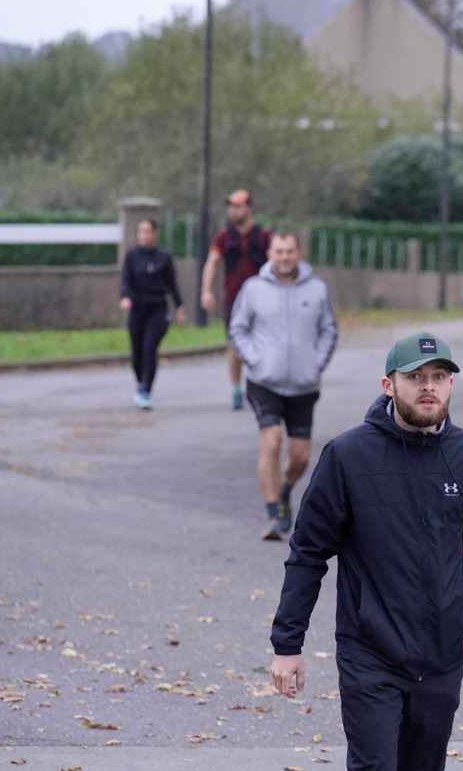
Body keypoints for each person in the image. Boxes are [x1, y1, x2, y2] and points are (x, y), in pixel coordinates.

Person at [269, 332, 463, 771]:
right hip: (370, 654)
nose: (428, 386)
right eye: (415, 377)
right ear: (388, 385)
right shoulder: (348, 456)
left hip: (441, 657)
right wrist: (287, 644)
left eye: (439, 376)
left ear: (451, 384)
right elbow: (308, 554)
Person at [228, 232, 337, 541]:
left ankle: (286, 490)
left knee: (300, 458)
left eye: (289, 251)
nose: (284, 257)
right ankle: (273, 515)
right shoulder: (253, 289)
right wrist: (255, 360)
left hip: (303, 385)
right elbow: (237, 329)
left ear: (298, 253)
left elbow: (329, 330)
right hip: (264, 382)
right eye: (279, 251)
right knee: (272, 442)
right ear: (270, 254)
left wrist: (315, 364)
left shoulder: (317, 289)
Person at [200, 189, 271, 410]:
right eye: (231, 206)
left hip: (262, 299)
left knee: (263, 342)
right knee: (234, 343)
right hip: (234, 299)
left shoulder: (263, 235)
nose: (234, 210)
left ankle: (262, 385)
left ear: (249, 208)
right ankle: (236, 389)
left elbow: (275, 264)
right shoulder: (223, 236)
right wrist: (206, 291)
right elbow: (212, 262)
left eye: (238, 206)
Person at [119, 218, 185, 409]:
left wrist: (179, 306)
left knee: (149, 349)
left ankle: (145, 390)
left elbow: (172, 284)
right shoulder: (131, 256)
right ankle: (141, 382)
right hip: (137, 309)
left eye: (148, 231)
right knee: (137, 353)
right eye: (141, 231)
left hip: (157, 310)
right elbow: (125, 280)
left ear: (155, 233)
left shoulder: (164, 257)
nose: (144, 235)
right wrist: (125, 297)